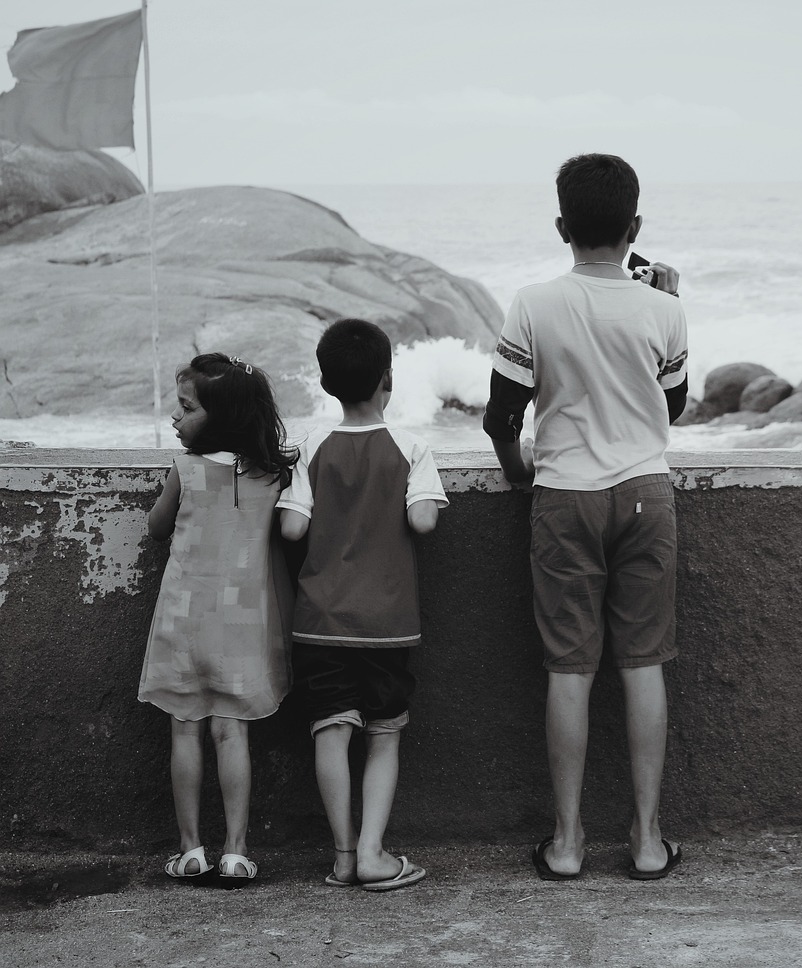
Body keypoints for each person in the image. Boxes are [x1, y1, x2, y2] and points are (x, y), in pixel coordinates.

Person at [484, 153, 689, 881]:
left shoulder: (534, 304)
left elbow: (502, 418)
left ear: (562, 226)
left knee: (569, 671)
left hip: (565, 495)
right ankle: (647, 840)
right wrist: (667, 299)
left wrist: (519, 476)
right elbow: (671, 408)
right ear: (635, 228)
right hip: (645, 493)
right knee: (643, 665)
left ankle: (567, 843)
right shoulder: (665, 309)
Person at [278, 317, 448, 892]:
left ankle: (344, 856)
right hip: (387, 626)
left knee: (330, 731)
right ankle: (376, 853)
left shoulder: (311, 447)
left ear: (325, 383)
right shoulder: (411, 446)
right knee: (383, 734)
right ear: (388, 380)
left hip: (319, 622)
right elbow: (423, 519)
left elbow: (293, 529)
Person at [139, 352, 298, 886]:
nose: (175, 418)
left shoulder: (184, 469)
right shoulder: (270, 475)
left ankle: (189, 849)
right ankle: (235, 850)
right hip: (240, 623)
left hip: (183, 621)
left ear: (220, 417)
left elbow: (156, 527)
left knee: (185, 729)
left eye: (185, 408)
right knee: (232, 732)